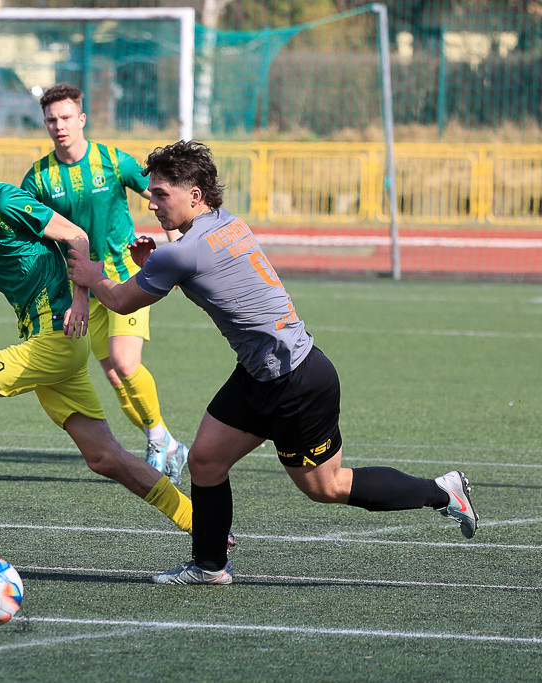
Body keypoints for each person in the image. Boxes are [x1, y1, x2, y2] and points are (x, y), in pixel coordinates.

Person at [66, 140, 479, 585]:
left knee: (327, 487)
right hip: (261, 374)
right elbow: (203, 274)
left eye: (161, 194)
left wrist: (92, 275)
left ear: (195, 195)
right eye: (151, 194)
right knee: (204, 461)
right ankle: (210, 566)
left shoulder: (179, 252)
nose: (151, 203)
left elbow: (122, 301)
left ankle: (441, 492)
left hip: (295, 382)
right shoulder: (228, 223)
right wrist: (153, 264)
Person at [0, 130, 196, 555]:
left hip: (57, 335)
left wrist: (81, 299)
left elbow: (76, 235)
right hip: (41, 336)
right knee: (104, 457)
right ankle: (199, 522)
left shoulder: (2, 200)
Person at [21, 83, 188, 483]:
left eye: (66, 117)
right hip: (84, 287)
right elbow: (31, 236)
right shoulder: (38, 178)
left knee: (126, 363)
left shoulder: (113, 161)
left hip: (128, 275)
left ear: (81, 119)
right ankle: (165, 440)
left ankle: (158, 440)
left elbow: (168, 199)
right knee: (115, 374)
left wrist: (179, 251)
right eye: (51, 120)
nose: (59, 126)